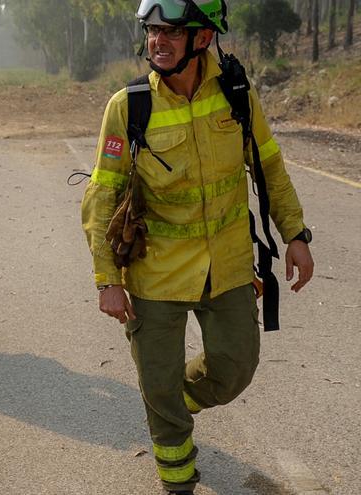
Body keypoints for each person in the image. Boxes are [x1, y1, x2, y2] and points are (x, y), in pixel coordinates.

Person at [80, 1, 314, 493]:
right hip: (154, 275)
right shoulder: (129, 107)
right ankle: (178, 478)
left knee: (234, 370)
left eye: (171, 32)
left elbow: (269, 167)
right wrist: (107, 280)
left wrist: (295, 235)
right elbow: (102, 197)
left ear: (202, 38)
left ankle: (169, 396)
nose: (157, 42)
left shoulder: (235, 94)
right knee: (159, 389)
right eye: (152, 31)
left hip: (226, 267)